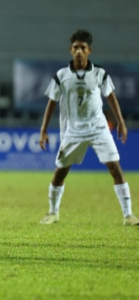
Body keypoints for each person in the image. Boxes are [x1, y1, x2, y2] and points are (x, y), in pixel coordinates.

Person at [39, 29, 138, 226]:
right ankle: (53, 212)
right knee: (61, 170)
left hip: (98, 127)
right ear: (70, 50)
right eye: (75, 47)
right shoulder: (61, 75)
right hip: (73, 130)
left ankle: (128, 215)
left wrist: (121, 122)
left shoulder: (99, 73)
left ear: (89, 51)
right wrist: (43, 130)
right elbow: (52, 102)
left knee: (114, 167)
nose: (78, 51)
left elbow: (111, 97)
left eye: (82, 48)